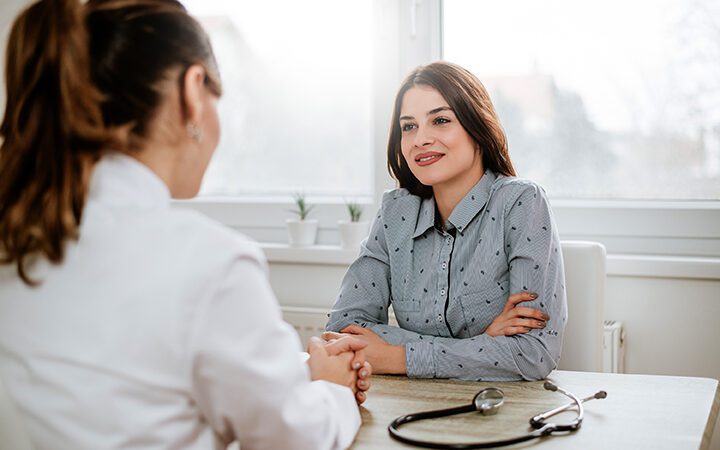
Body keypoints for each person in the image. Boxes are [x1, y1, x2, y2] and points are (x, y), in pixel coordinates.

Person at [0, 1, 370, 449]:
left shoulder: (21, 236)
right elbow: (297, 439)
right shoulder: (208, 263)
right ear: (193, 91)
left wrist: (300, 369)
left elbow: (135, 371)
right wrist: (332, 389)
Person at [325, 61, 567, 382]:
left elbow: (535, 352)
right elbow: (342, 330)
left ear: (477, 129)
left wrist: (398, 357)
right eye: (408, 126)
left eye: (440, 120)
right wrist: (479, 346)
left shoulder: (522, 203)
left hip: (503, 413)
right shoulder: (395, 212)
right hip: (415, 406)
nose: (420, 139)